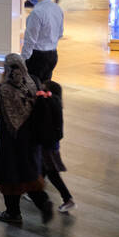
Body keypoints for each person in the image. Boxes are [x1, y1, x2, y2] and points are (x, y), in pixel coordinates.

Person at [0, 53, 54, 226]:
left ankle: (13, 212)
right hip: (31, 140)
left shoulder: (2, 90)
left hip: (9, 142)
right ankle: (44, 203)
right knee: (29, 176)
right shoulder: (33, 80)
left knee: (9, 178)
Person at [41, 81, 76, 213]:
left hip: (48, 146)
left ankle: (68, 199)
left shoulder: (50, 106)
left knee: (52, 174)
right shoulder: (56, 105)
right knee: (43, 170)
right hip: (51, 144)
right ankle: (34, 190)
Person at [22, 0, 63, 81]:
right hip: (53, 55)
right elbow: (60, 33)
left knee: (34, 87)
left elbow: (30, 39)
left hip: (38, 57)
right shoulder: (58, 9)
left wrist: (23, 59)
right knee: (46, 87)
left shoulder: (37, 12)